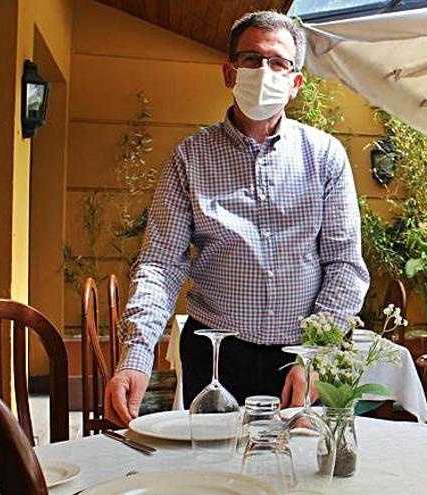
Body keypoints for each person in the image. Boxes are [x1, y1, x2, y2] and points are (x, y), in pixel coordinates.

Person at [104, 11, 369, 426]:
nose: (264, 71)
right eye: (251, 59)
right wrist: (136, 356)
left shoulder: (325, 156)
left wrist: (319, 352)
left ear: (296, 83)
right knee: (212, 475)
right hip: (214, 352)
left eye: (279, 62)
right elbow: (161, 263)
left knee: (299, 478)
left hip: (301, 357)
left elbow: (345, 265)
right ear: (230, 73)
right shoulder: (189, 158)